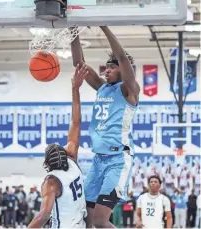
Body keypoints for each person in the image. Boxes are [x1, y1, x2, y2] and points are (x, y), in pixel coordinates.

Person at [71, 26, 139, 228]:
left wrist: (103, 26)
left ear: (122, 69)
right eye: (106, 67)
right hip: (98, 160)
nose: (107, 69)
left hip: (118, 160)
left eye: (112, 67)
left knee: (101, 221)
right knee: (87, 219)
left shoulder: (129, 90)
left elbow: (123, 58)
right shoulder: (102, 88)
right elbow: (78, 64)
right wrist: (73, 31)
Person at [28, 64, 87, 228]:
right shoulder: (72, 159)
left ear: (47, 162)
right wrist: (75, 89)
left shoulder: (51, 181)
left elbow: (43, 216)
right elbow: (76, 122)